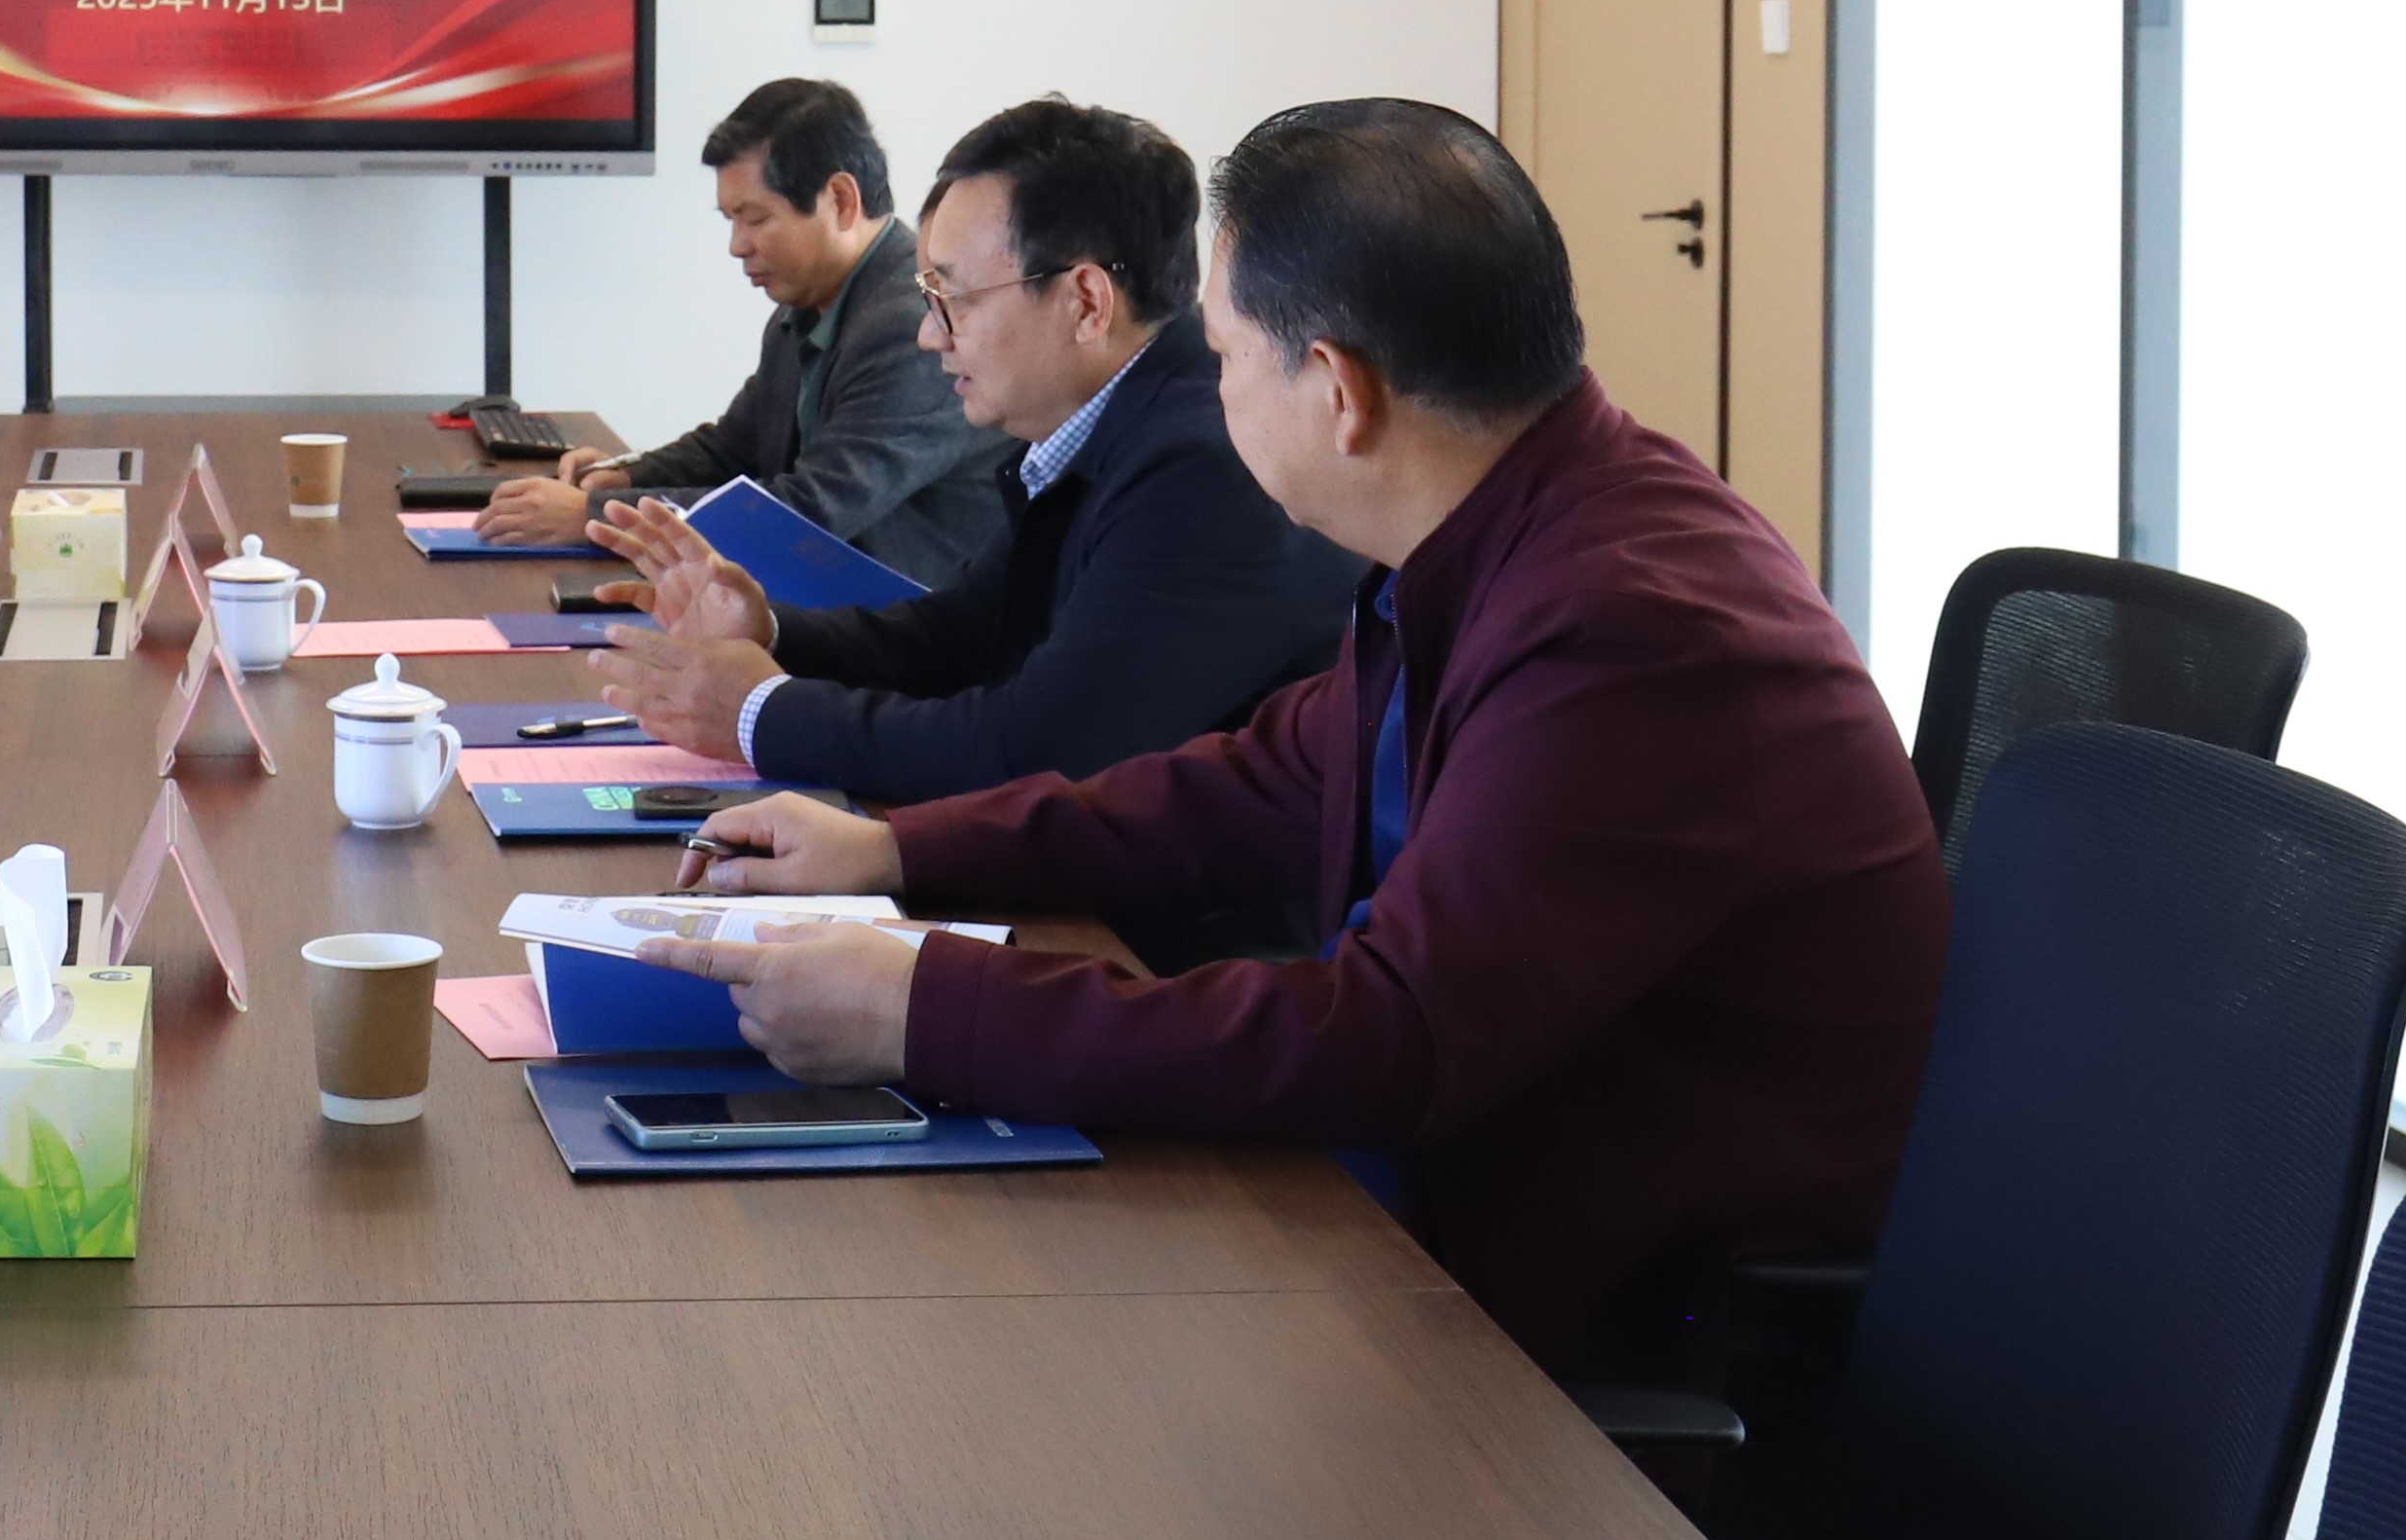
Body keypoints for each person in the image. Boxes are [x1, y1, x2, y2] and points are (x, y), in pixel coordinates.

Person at [636, 97, 1947, 1390]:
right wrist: (890, 851)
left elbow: (1391, 1039)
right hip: (1476, 1204)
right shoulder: (1508, 528)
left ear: (1337, 389)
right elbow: (1259, 784)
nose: (1206, 391)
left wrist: (924, 1005)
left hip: (1624, 1328)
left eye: (1221, 354)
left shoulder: (1627, 626)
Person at [580, 96, 1363, 815]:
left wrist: (761, 713)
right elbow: (959, 636)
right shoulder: (1109, 424)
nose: (930, 334)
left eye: (950, 298)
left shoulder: (1200, 466)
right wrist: (770, 632)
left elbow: (1033, 751)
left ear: (1086, 303)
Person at [473, 76, 1012, 589]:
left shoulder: (910, 325)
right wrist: (624, 476)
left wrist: (595, 514)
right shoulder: (804, 307)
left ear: (840, 201)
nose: (737, 245)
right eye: (730, 220)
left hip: (910, 627)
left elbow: (806, 516)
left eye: (755, 219)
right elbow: (732, 450)